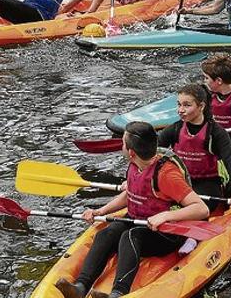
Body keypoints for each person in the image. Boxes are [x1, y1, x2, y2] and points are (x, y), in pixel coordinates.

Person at [54, 121, 209, 298]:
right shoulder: (135, 164)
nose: (121, 146)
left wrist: (165, 216)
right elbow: (131, 195)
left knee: (130, 236)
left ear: (131, 152)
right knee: (106, 233)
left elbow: (201, 209)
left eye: (122, 143)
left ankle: (118, 293)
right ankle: (81, 287)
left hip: (166, 233)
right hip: (136, 219)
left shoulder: (166, 174)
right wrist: (101, 211)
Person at [158, 83, 231, 213]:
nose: (180, 110)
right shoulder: (174, 129)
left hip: (207, 184)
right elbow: (151, 154)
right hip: (180, 181)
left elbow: (230, 161)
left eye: (187, 105)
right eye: (179, 104)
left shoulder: (216, 133)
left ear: (201, 106)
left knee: (192, 208)